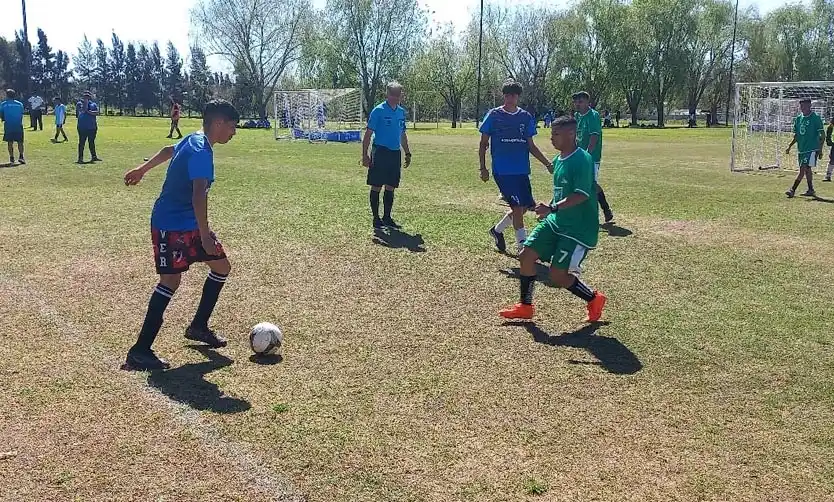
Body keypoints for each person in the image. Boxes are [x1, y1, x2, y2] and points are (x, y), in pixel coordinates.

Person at [121, 99, 240, 371]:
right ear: (218, 123)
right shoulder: (201, 150)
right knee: (170, 281)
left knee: (221, 267)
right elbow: (199, 195)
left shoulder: (194, 139)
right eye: (232, 126)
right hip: (171, 224)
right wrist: (205, 235)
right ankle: (140, 351)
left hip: (189, 222)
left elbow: (168, 150)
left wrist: (142, 170)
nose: (234, 132)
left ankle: (198, 326)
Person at [499, 115, 607, 322]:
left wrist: (553, 208)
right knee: (526, 255)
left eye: (556, 134)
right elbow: (560, 193)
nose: (551, 138)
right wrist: (548, 208)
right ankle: (525, 306)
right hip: (555, 221)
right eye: (552, 134)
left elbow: (581, 195)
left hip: (576, 229)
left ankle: (594, 299)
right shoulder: (559, 160)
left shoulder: (582, 160)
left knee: (558, 275)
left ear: (571, 134)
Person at [479, 78, 553, 254]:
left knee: (524, 207)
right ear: (503, 96)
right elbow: (483, 143)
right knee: (518, 208)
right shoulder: (494, 115)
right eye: (507, 95)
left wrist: (547, 163)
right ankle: (523, 247)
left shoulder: (525, 117)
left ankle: (497, 230)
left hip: (521, 170)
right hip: (502, 170)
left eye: (513, 95)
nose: (510, 98)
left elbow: (531, 146)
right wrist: (483, 167)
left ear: (518, 96)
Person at [362, 81, 412, 229]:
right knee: (377, 185)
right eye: (393, 95)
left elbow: (402, 134)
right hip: (380, 152)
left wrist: (407, 153)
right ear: (387, 94)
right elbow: (368, 134)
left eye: (398, 95)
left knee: (391, 186)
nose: (396, 98)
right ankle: (376, 219)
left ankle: (387, 217)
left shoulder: (401, 112)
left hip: (395, 153)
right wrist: (365, 155)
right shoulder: (378, 111)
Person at [573, 91, 614, 223]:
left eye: (580, 102)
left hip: (591, 157)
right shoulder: (577, 116)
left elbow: (594, 138)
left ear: (587, 102)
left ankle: (605, 209)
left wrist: (586, 156)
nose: (577, 104)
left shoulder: (593, 115)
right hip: (579, 156)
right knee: (578, 183)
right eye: (576, 102)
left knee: (591, 184)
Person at [785, 98, 825, 198]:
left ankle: (792, 190)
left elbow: (822, 135)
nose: (803, 108)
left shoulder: (815, 118)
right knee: (807, 170)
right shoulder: (798, 119)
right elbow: (797, 135)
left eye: (805, 106)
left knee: (803, 169)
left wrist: (820, 150)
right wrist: (790, 146)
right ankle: (811, 189)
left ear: (810, 106)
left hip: (812, 149)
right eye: (801, 106)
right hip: (801, 149)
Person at [0, 89, 25, 165]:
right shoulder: (20, 104)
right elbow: (21, 114)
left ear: (7, 95)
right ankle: (21, 157)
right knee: (20, 142)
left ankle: (12, 158)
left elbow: (1, 114)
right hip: (18, 125)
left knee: (10, 142)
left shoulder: (3, 104)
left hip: (9, 126)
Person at [77, 91, 101, 163]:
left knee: (91, 142)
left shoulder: (93, 104)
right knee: (82, 143)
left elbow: (96, 113)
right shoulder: (79, 104)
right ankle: (80, 158)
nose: (86, 98)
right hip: (82, 127)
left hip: (92, 127)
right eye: (85, 96)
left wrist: (89, 112)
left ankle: (94, 157)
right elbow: (82, 111)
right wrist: (86, 104)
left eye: (87, 96)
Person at [824, 117, 834, 182]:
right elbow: (828, 135)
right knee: (832, 160)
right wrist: (828, 141)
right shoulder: (831, 126)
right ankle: (828, 176)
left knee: (832, 160)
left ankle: (828, 176)